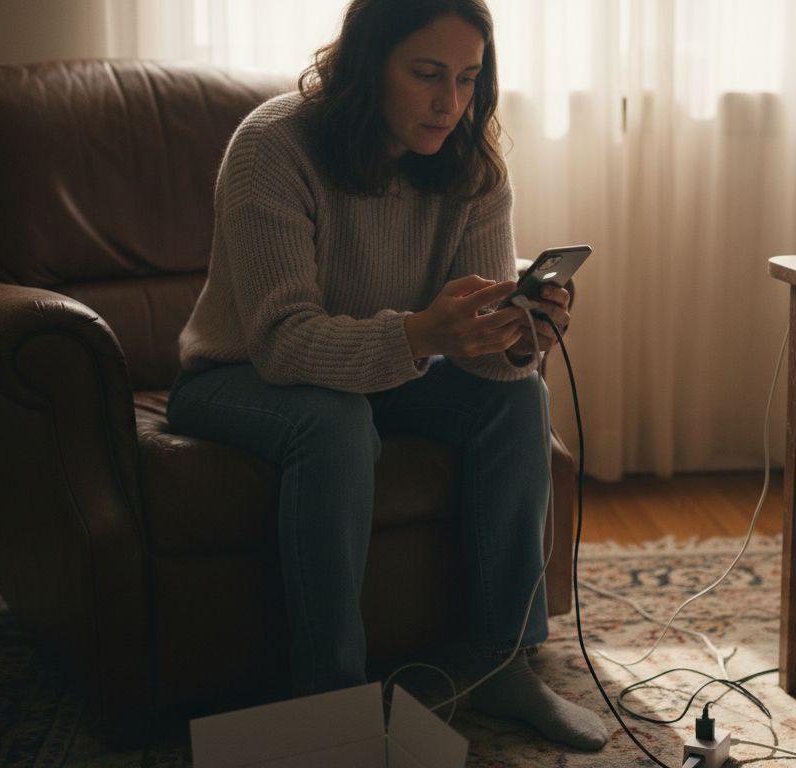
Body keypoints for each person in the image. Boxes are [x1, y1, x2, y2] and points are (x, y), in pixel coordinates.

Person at [167, 0, 608, 752]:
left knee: (517, 401)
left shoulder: (475, 168)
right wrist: (422, 334)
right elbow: (280, 342)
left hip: (387, 370)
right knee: (333, 419)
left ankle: (500, 660)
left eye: (468, 78)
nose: (450, 102)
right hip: (239, 376)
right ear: (366, 65)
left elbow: (477, 358)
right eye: (427, 74)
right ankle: (331, 700)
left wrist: (513, 337)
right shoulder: (273, 146)